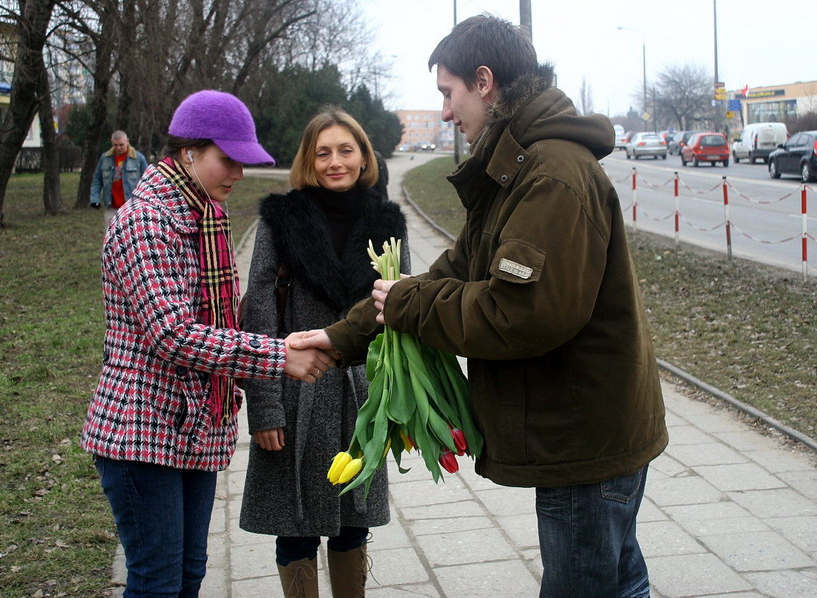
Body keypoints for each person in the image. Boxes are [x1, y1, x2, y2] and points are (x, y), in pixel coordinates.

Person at [291, 16, 668, 598]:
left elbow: (521, 314)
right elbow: (457, 269)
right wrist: (344, 336)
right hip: (582, 429)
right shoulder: (520, 165)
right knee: (619, 583)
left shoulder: (552, 174)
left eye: (449, 92)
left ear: (485, 80)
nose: (445, 111)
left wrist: (411, 303)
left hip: (582, 437)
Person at [81, 90, 337, 598]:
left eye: (244, 162)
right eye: (228, 160)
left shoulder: (203, 213)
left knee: (189, 575)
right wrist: (278, 355)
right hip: (142, 432)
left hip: (191, 426)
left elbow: (218, 319)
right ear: (189, 151)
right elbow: (172, 334)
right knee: (157, 583)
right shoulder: (149, 221)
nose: (238, 174)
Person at [239, 107, 409, 598]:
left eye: (345, 150)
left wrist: (393, 407)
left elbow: (399, 317)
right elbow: (261, 317)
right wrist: (265, 407)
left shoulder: (387, 221)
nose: (335, 161)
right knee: (293, 526)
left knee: (353, 522)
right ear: (308, 161)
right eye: (323, 152)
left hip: (362, 399)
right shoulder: (281, 220)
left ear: (363, 157)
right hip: (295, 392)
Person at [89, 130, 149, 228]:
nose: (118, 148)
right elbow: (97, 180)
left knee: (131, 239)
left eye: (121, 145)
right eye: (115, 145)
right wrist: (95, 198)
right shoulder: (105, 158)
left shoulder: (138, 158)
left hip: (132, 207)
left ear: (127, 142)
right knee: (111, 240)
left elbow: (147, 181)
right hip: (111, 207)